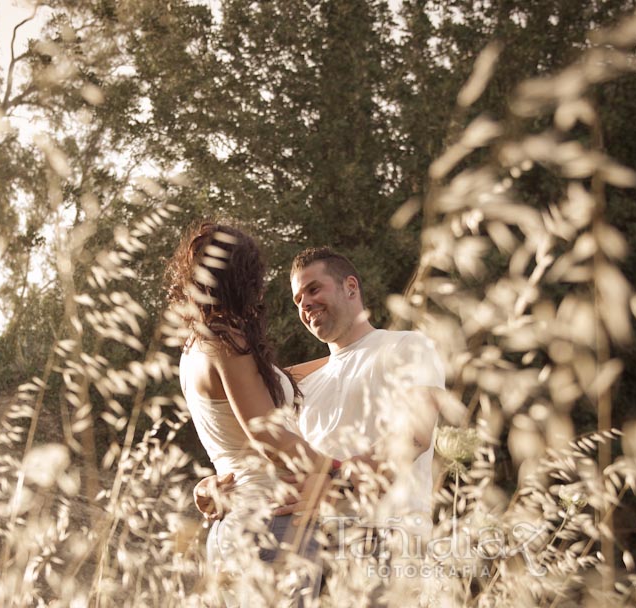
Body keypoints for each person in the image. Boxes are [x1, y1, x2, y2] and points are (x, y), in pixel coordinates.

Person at [196, 246, 446, 597]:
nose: (305, 304)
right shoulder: (299, 384)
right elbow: (272, 451)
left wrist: (336, 485)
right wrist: (220, 484)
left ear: (350, 287)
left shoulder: (408, 346)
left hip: (387, 539)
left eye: (314, 289)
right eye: (298, 299)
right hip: (311, 551)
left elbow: (414, 435)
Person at [167, 222, 337, 607]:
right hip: (272, 523)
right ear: (245, 277)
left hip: (235, 526)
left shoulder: (197, 346)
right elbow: (267, 435)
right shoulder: (228, 340)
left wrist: (349, 355)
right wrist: (338, 470)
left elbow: (256, 404)